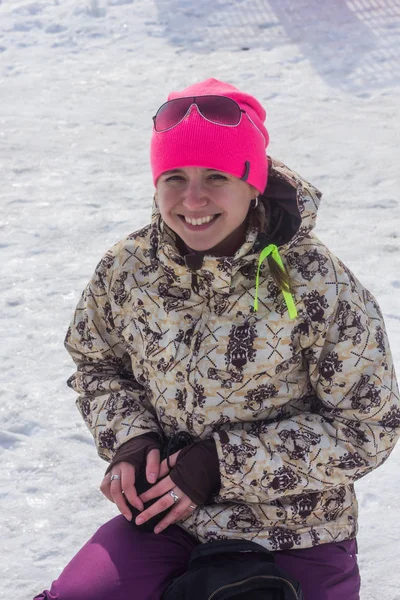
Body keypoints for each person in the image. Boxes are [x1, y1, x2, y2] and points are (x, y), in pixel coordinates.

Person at [35, 78, 399, 600]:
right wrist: (132, 442)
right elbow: (96, 363)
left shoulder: (319, 282)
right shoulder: (128, 267)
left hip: (297, 528)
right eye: (174, 177)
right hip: (167, 517)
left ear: (254, 184)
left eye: (216, 177)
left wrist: (221, 465)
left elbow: (369, 425)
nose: (194, 198)